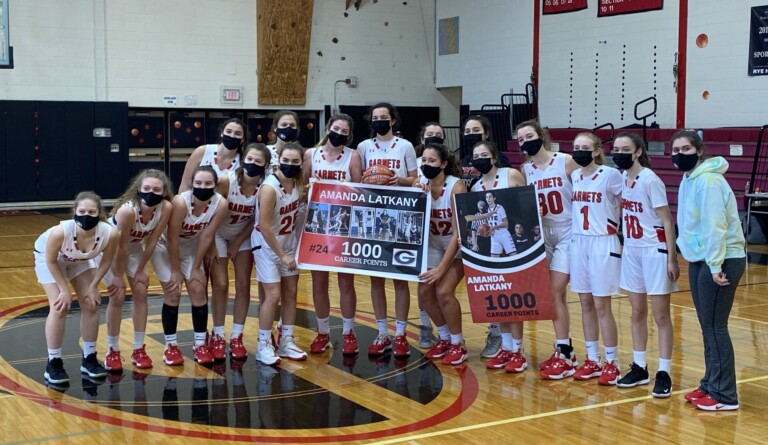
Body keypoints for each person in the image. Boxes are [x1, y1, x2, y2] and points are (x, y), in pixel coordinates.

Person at [672, 130, 746, 411]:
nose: (680, 154)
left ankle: (725, 394)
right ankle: (710, 384)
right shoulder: (689, 178)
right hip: (701, 259)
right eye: (676, 149)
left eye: (686, 149)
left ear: (699, 151)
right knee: (707, 326)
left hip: (722, 258)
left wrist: (715, 266)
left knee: (716, 327)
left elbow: (716, 227)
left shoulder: (709, 181)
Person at [610, 132, 679, 397]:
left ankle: (664, 371)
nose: (619, 152)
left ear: (638, 151)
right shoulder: (622, 179)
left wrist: (672, 257)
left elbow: (667, 220)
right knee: (636, 312)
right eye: (615, 148)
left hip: (654, 250)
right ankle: (640, 367)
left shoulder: (650, 180)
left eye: (624, 148)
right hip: (632, 250)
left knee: (660, 315)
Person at [516, 120, 580, 380]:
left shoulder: (565, 161)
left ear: (540, 136)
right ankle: (565, 350)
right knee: (554, 296)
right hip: (542, 233)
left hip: (568, 231)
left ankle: (565, 351)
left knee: (555, 292)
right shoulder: (524, 169)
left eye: (529, 135)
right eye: (520, 139)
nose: (525, 141)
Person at [36, 191, 120, 385]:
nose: (86, 215)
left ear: (99, 213)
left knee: (91, 303)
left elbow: (106, 261)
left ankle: (89, 358)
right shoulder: (60, 232)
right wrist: (64, 290)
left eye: (91, 212)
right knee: (59, 306)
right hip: (51, 259)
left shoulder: (110, 233)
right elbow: (50, 260)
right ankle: (53, 362)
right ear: (74, 211)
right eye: (82, 211)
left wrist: (93, 286)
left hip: (80, 259)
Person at [357, 102, 418, 358]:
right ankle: (383, 333)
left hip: (401, 215)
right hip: (373, 213)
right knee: (376, 280)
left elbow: (416, 179)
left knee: (401, 279)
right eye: (375, 118)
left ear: (393, 120)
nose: (380, 121)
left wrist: (398, 180)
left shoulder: (405, 146)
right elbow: (357, 177)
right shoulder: (363, 147)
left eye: (384, 117)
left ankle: (401, 335)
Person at [302, 113, 362, 356]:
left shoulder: (353, 155)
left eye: (344, 131)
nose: (339, 133)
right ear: (328, 128)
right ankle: (323, 332)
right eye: (336, 128)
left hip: (344, 226)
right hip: (316, 225)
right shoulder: (310, 154)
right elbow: (302, 185)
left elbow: (360, 190)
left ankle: (348, 333)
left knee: (345, 282)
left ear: (349, 135)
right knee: (319, 282)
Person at [101, 170, 174, 371]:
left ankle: (138, 348)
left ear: (164, 192)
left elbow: (152, 240)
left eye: (156, 189)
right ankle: (112, 350)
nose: (151, 192)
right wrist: (118, 276)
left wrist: (141, 269)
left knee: (141, 292)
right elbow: (120, 247)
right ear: (138, 190)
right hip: (110, 250)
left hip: (134, 249)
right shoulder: (128, 211)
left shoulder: (165, 207)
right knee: (117, 297)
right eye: (147, 188)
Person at [157, 165, 228, 366]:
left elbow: (207, 235)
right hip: (166, 248)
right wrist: (176, 271)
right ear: (191, 184)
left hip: (190, 248)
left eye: (208, 183)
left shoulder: (220, 204)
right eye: (198, 183)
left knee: (198, 289)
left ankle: (200, 344)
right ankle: (170, 346)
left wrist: (196, 267)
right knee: (173, 292)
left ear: (215, 185)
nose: (202, 186)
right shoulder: (180, 202)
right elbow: (172, 239)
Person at [469, 141, 530, 373]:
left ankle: (518, 350)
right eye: (476, 156)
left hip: (506, 233)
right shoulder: (476, 188)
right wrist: (483, 229)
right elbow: (482, 222)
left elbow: (524, 207)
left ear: (494, 157)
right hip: (493, 237)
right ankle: (505, 347)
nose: (480, 158)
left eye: (484, 154)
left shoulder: (511, 175)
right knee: (499, 294)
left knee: (514, 293)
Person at [569, 132, 623, 385]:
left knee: (602, 305)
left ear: (597, 150)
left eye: (585, 147)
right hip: (579, 242)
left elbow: (627, 202)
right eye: (576, 147)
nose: (579, 151)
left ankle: (612, 362)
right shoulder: (575, 176)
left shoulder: (611, 175)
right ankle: (592, 359)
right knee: (585, 303)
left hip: (603, 240)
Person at [209, 144, 271, 361]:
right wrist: (211, 242)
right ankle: (217, 335)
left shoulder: (265, 186)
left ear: (265, 166)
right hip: (217, 233)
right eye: (249, 159)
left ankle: (237, 336)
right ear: (243, 159)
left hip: (242, 235)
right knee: (221, 285)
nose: (252, 164)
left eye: (258, 161)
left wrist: (236, 242)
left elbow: (257, 219)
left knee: (243, 285)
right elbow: (210, 212)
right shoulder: (227, 181)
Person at [252, 142, 306, 365]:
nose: (290, 165)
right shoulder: (269, 188)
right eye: (286, 160)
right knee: (273, 295)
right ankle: (263, 344)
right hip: (266, 246)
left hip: (288, 244)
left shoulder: (298, 183)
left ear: (301, 163)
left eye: (295, 161)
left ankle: (286, 341)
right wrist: (282, 255)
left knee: (291, 293)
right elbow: (264, 227)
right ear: (278, 161)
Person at [418, 142, 469, 365]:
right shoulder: (420, 184)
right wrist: (418, 197)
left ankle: (459, 343)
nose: (426, 165)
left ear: (444, 164)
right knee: (424, 294)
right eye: (424, 161)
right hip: (432, 243)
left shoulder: (456, 187)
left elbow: (459, 233)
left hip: (456, 245)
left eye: (432, 161)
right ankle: (445, 338)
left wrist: (441, 268)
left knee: (444, 291)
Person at [179, 118, 246, 192]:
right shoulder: (202, 151)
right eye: (228, 131)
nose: (232, 136)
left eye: (237, 133)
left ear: (242, 139)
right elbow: (185, 185)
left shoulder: (243, 161)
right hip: (196, 201)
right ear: (221, 133)